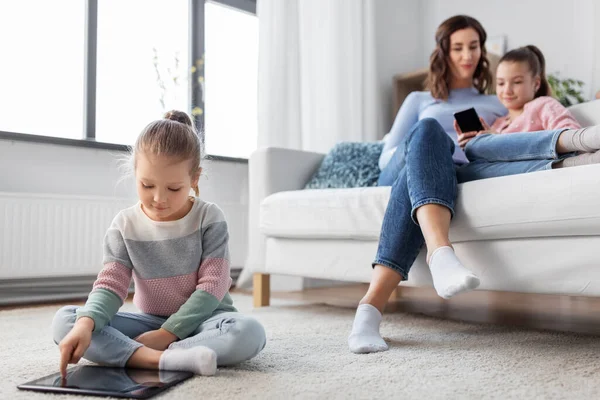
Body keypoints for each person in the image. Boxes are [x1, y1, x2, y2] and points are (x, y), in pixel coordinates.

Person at [348, 15, 600, 354]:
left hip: (457, 172)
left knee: (461, 152)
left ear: (482, 51)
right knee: (428, 133)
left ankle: (369, 312)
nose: (467, 55)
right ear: (444, 52)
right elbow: (385, 159)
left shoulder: (496, 103)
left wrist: (481, 137)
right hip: (410, 161)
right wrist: (432, 148)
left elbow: (514, 133)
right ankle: (440, 253)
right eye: (458, 48)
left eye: (473, 47)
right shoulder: (420, 100)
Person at [52, 111, 266, 377]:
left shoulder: (209, 217)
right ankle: (161, 360)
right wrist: (86, 324)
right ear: (135, 173)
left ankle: (138, 355)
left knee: (249, 332)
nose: (158, 198)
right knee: (67, 322)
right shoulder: (124, 225)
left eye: (174, 188)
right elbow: (110, 284)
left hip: (206, 319)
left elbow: (214, 285)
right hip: (151, 322)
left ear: (194, 179)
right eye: (147, 185)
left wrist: (168, 334)